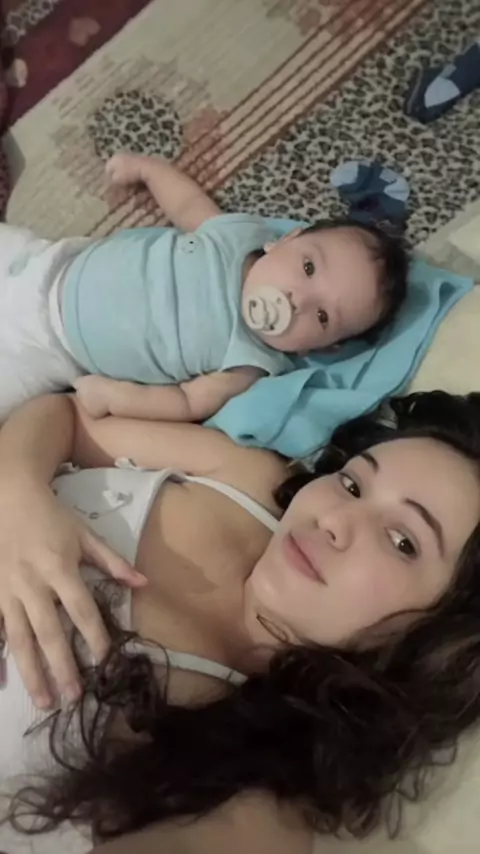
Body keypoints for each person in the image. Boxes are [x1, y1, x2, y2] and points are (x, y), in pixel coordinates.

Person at [2, 387, 480, 854]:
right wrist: (18, 494)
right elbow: (67, 416)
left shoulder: (238, 785)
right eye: (352, 484)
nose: (334, 519)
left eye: (402, 541)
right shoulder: (249, 479)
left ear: (439, 644)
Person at [0, 152, 408, 425]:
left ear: (323, 348)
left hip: (50, 353)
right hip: (45, 263)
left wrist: (113, 397)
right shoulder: (237, 238)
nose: (298, 299)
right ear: (286, 239)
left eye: (322, 316)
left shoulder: (249, 363)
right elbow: (188, 206)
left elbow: (186, 402)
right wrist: (149, 170)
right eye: (307, 267)